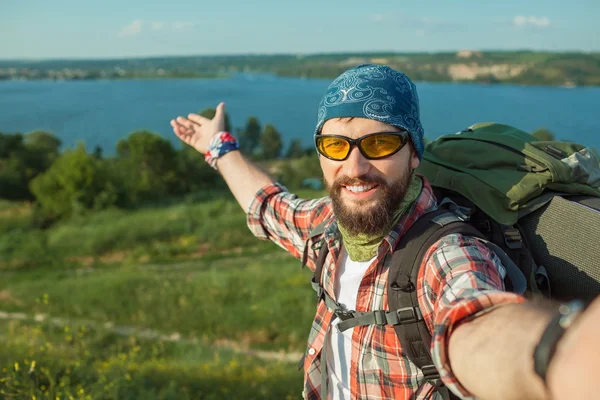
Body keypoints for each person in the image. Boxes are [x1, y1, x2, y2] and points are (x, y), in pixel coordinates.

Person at [170, 64, 600, 400]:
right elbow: (268, 206)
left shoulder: (446, 254)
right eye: (336, 146)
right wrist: (220, 147)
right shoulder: (328, 229)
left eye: (379, 145)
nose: (354, 169)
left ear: (414, 153)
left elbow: (476, 322)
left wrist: (556, 356)